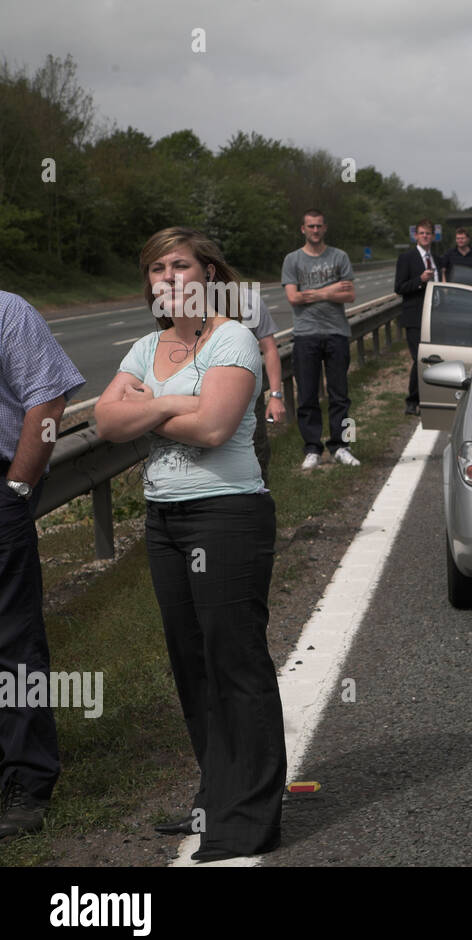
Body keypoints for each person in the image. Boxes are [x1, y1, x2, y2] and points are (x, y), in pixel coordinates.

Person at [95, 227, 285, 862]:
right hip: (165, 520)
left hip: (227, 516)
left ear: (209, 275)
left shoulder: (231, 336)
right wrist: (175, 401)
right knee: (193, 665)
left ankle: (249, 817)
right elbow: (105, 421)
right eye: (156, 269)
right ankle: (216, 796)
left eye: (180, 265)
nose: (168, 277)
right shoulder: (145, 346)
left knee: (236, 663)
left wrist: (153, 404)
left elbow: (212, 426)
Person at [0, 292, 85, 841]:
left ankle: (26, 783)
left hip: (2, 484)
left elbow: (48, 403)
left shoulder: (7, 311)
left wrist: (16, 489)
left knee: (10, 640)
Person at [281, 209, 359, 468]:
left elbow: (349, 296)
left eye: (319, 226)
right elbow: (293, 298)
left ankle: (341, 446)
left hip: (337, 332)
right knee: (307, 395)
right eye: (310, 226)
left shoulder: (340, 257)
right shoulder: (292, 260)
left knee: (340, 395)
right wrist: (330, 290)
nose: (315, 230)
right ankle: (312, 448)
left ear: (325, 228)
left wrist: (311, 293)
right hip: (305, 335)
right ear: (302, 229)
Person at [394, 220, 441, 415]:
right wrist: (420, 281)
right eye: (421, 233)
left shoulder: (438, 258)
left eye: (428, 233)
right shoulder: (407, 258)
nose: (425, 236)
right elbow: (399, 288)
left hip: (436, 316)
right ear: (416, 236)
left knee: (434, 359)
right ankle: (412, 400)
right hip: (415, 317)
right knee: (419, 359)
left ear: (433, 236)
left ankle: (430, 398)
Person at [241, 291, 286, 486]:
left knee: (257, 452)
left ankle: (260, 501)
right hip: (203, 397)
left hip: (249, 398)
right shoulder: (187, 301)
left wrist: (275, 396)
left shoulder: (248, 299)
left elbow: (269, 348)